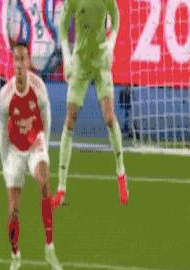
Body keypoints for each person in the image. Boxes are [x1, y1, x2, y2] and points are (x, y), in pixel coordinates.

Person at [52, 0, 129, 208]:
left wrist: (111, 44)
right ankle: (61, 188)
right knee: (70, 120)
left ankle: (121, 173)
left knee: (109, 116)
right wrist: (67, 56)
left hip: (101, 60)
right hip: (80, 61)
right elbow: (62, 24)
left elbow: (116, 16)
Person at [0, 43, 63, 270]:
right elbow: (2, 132)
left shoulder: (39, 88)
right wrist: (5, 161)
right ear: (13, 62)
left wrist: (43, 143)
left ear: (28, 62)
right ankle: (15, 256)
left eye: (23, 59)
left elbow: (46, 117)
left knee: (44, 183)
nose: (19, 64)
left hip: (35, 144)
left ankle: (49, 248)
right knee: (13, 209)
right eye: (16, 59)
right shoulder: (5, 95)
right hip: (15, 150)